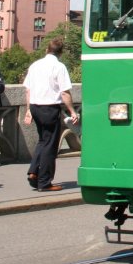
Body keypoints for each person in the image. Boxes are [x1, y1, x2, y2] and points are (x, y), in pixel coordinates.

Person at [23, 39, 79, 192]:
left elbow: (28, 90)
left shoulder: (35, 65)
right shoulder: (59, 67)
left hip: (35, 106)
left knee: (43, 140)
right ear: (60, 52)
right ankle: (44, 182)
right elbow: (64, 92)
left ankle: (33, 171)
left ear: (47, 49)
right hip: (49, 108)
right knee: (50, 146)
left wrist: (28, 109)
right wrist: (72, 111)